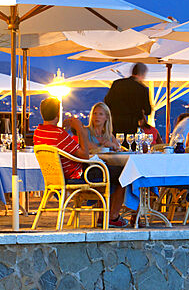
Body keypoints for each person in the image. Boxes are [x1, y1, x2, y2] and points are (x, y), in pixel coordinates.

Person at [34, 97, 127, 227]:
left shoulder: (38, 132)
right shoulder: (59, 134)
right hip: (78, 175)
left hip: (59, 176)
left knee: (109, 171)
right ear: (58, 114)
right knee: (124, 173)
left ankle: (104, 216)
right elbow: (84, 154)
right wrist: (79, 129)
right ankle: (113, 216)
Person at [104, 63, 152, 135]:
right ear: (143, 74)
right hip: (131, 125)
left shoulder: (117, 83)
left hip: (114, 123)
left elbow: (107, 101)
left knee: (116, 144)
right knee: (129, 144)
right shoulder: (142, 89)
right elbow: (148, 111)